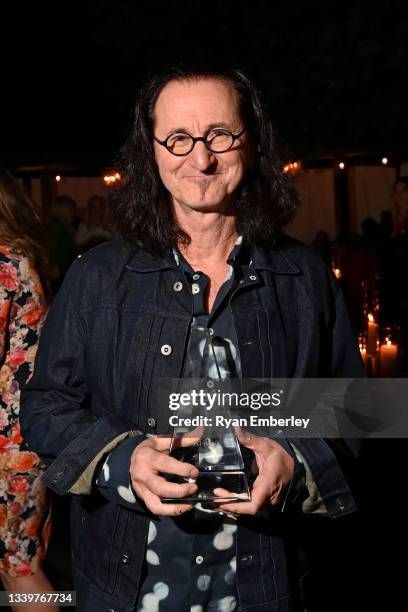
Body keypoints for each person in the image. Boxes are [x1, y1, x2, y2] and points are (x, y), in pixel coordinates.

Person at [20, 67, 364, 612]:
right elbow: (45, 405)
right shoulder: (97, 278)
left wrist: (295, 461)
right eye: (178, 138)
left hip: (266, 585)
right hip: (124, 587)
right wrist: (120, 459)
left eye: (220, 136)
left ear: (251, 144)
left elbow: (357, 411)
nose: (200, 160)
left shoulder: (305, 277)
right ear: (151, 152)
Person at [0, 168, 59, 612]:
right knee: (20, 565)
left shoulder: (4, 261)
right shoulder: (17, 254)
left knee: (19, 569)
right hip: (27, 434)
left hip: (11, 446)